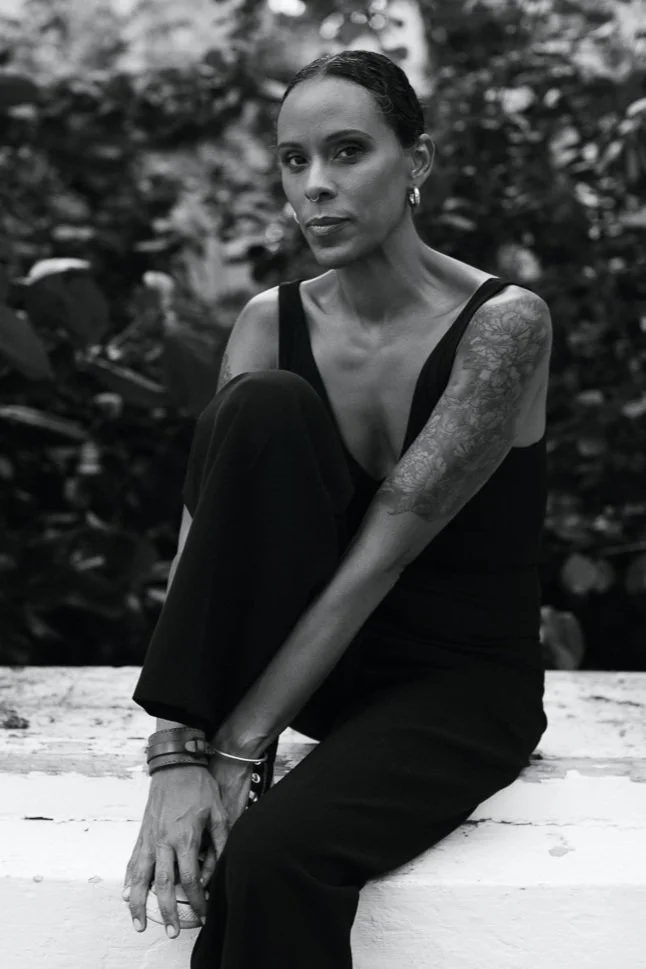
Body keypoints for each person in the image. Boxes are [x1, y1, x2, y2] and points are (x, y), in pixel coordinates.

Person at [123, 49, 552, 969]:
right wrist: (177, 757)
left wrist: (239, 754)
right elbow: (206, 556)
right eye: (294, 160)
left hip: (460, 688)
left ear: (417, 161)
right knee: (262, 405)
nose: (315, 184)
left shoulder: (504, 324)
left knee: (275, 856)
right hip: (321, 677)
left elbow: (378, 560)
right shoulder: (269, 322)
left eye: (348, 151)